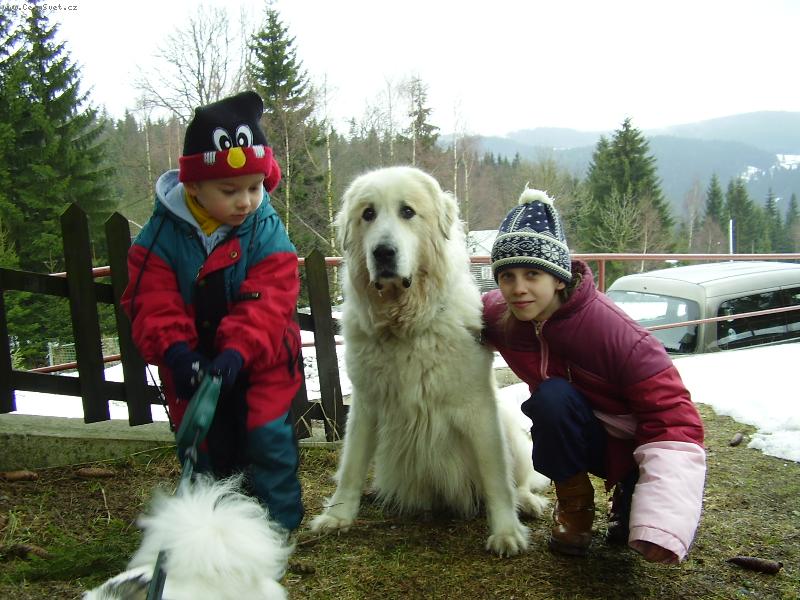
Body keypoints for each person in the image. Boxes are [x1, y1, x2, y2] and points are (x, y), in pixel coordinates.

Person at [482, 186, 706, 563]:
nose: (518, 289)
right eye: (507, 276)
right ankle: (575, 504)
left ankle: (629, 492)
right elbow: (450, 306)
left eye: (532, 274)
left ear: (558, 277)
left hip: (635, 445)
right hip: (578, 430)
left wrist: (662, 522)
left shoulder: (617, 334)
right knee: (551, 399)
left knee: (636, 526)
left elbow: (674, 420)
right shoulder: (505, 316)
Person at [121, 91, 304, 533]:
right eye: (230, 191)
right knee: (202, 444)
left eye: (255, 188)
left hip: (261, 358)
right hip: (193, 363)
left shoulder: (265, 230)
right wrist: (178, 354)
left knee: (267, 435)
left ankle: (279, 526)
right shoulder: (160, 238)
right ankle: (214, 528)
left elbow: (271, 297)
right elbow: (151, 302)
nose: (246, 201)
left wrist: (237, 353)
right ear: (194, 186)